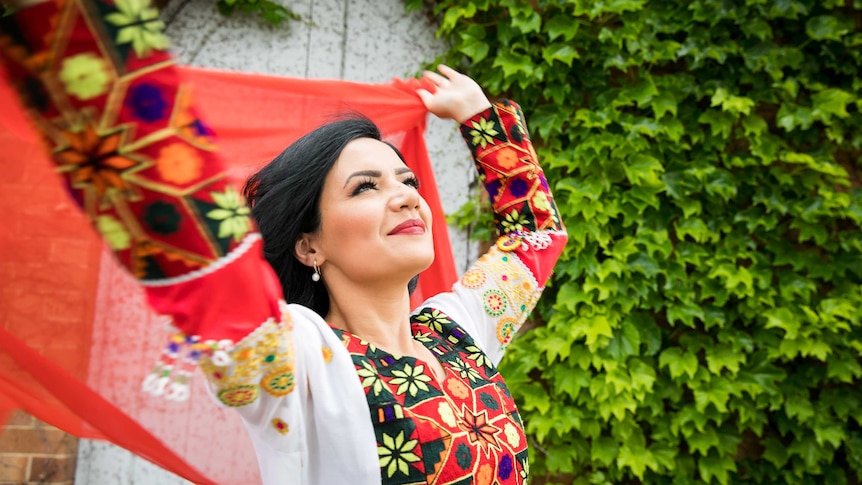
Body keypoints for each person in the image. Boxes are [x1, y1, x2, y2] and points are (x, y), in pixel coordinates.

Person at [0, 0, 567, 483]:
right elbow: (206, 256)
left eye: (408, 181)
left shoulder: (457, 334)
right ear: (308, 246)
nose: (404, 196)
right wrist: (81, 35)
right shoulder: (301, 362)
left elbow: (536, 236)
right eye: (365, 187)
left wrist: (481, 121)